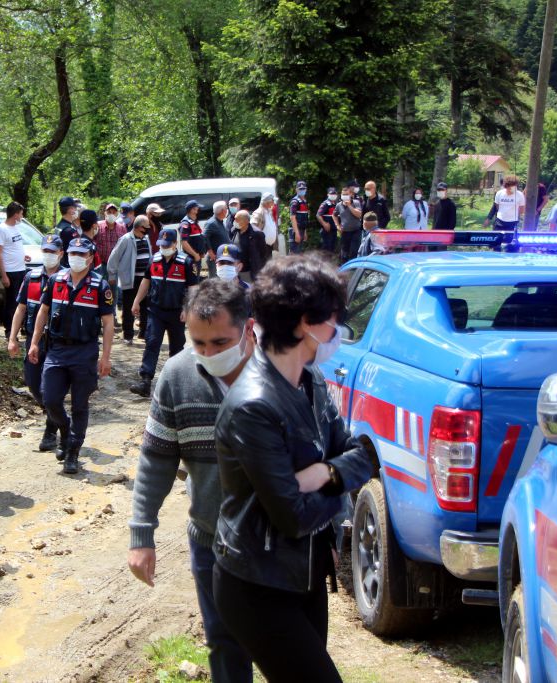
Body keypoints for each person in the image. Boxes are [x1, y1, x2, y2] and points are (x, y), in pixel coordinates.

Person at [212, 255, 373, 681]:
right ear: (306, 323)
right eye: (333, 319)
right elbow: (292, 516)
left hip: (306, 572)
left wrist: (324, 474)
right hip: (258, 584)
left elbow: (361, 456)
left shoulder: (311, 381)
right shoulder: (254, 405)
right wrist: (336, 479)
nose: (338, 331)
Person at [129, 280, 255, 683]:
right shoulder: (178, 375)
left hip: (283, 544)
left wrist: (329, 529)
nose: (208, 355)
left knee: (291, 645)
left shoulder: (286, 370)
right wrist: (141, 535)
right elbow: (157, 459)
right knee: (224, 639)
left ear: (248, 329)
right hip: (212, 539)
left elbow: (325, 451)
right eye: (198, 343)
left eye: (220, 343)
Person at [28, 238, 115, 474]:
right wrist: (34, 342)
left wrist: (105, 357)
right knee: (50, 398)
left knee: (79, 404)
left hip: (84, 352)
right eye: (73, 253)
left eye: (81, 254)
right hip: (57, 350)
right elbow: (43, 311)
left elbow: (108, 324)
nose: (76, 257)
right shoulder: (57, 280)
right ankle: (64, 432)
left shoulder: (99, 286)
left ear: (90, 258)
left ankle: (73, 452)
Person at [8, 234, 64, 453]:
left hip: (59, 343)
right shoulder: (31, 278)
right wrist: (12, 338)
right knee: (32, 382)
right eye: (46, 251)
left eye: (53, 251)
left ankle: (51, 431)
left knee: (51, 389)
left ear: (61, 253)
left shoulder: (67, 278)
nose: (48, 255)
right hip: (34, 341)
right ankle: (56, 416)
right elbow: (21, 309)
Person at [129, 228, 199, 397]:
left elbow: (193, 289)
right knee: (152, 343)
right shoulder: (154, 260)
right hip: (156, 310)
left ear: (175, 244)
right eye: (161, 244)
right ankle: (145, 381)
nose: (163, 247)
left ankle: (175, 383)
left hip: (177, 312)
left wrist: (187, 309)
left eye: (167, 244)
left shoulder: (186, 263)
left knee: (176, 347)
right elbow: (146, 281)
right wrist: (137, 301)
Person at [108, 215, 153, 345]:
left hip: (145, 279)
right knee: (128, 308)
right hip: (130, 279)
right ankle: (128, 335)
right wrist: (112, 275)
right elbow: (114, 257)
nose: (148, 229)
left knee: (145, 306)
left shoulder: (146, 238)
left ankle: (143, 333)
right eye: (146, 227)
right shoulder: (126, 239)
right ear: (139, 227)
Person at [0, 201, 30, 341]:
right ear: (15, 215)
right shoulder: (1, 229)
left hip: (21, 269)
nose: (22, 216)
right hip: (10, 271)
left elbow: (14, 247)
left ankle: (20, 328)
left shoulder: (16, 228)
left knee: (22, 301)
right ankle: (10, 331)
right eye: (21, 213)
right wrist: (4, 275)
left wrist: (23, 256)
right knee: (12, 303)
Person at [95, 203, 125, 282]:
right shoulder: (98, 226)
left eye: (114, 212)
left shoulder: (122, 228)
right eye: (109, 212)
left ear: (117, 214)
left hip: (116, 266)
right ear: (105, 213)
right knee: (101, 287)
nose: (111, 214)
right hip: (101, 264)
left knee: (114, 290)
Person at [232, 209, 264, 281]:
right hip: (236, 269)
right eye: (235, 219)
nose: (235, 222)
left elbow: (263, 252)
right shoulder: (234, 230)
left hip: (250, 270)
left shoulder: (257, 234)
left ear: (246, 221)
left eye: (237, 220)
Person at [179, 200, 207, 276]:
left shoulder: (193, 222)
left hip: (196, 257)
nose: (198, 210)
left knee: (196, 279)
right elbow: (184, 243)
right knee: (192, 282)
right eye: (197, 208)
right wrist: (195, 255)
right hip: (191, 258)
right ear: (192, 210)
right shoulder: (185, 223)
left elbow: (198, 239)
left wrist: (201, 252)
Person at [334, 186, 363, 263]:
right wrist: (337, 225)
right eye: (343, 194)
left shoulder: (356, 202)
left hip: (356, 231)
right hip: (345, 232)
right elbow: (334, 215)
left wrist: (349, 205)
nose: (344, 196)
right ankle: (344, 269)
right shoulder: (339, 205)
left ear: (350, 194)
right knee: (344, 253)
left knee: (354, 251)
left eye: (346, 194)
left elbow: (359, 215)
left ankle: (353, 269)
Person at [205, 201, 232, 278]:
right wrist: (210, 252)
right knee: (214, 282)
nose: (227, 211)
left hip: (222, 256)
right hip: (214, 258)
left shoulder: (219, 221)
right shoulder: (211, 223)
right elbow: (204, 237)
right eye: (226, 209)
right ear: (223, 211)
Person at [250, 193, 278, 267]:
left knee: (268, 267)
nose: (273, 203)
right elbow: (252, 226)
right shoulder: (259, 212)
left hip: (268, 247)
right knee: (263, 268)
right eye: (272, 201)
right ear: (267, 201)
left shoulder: (269, 211)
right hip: (262, 247)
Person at [55, 196, 80, 265]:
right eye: (75, 208)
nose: (76, 210)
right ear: (70, 210)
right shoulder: (69, 230)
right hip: (68, 265)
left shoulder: (60, 225)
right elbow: (75, 250)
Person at [315, 187, 339, 255]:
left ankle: (329, 264)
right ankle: (323, 264)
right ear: (328, 194)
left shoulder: (336, 204)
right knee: (326, 250)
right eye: (331, 194)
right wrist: (324, 223)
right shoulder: (325, 204)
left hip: (334, 230)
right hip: (326, 231)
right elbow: (318, 215)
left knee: (332, 249)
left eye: (334, 193)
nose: (333, 195)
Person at [288, 181, 310, 254]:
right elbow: (292, 217)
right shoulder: (295, 201)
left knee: (299, 253)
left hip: (302, 230)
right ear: (296, 190)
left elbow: (305, 218)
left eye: (303, 189)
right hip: (295, 230)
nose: (302, 190)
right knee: (294, 254)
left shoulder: (304, 201)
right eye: (300, 189)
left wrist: (305, 232)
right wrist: (297, 233)